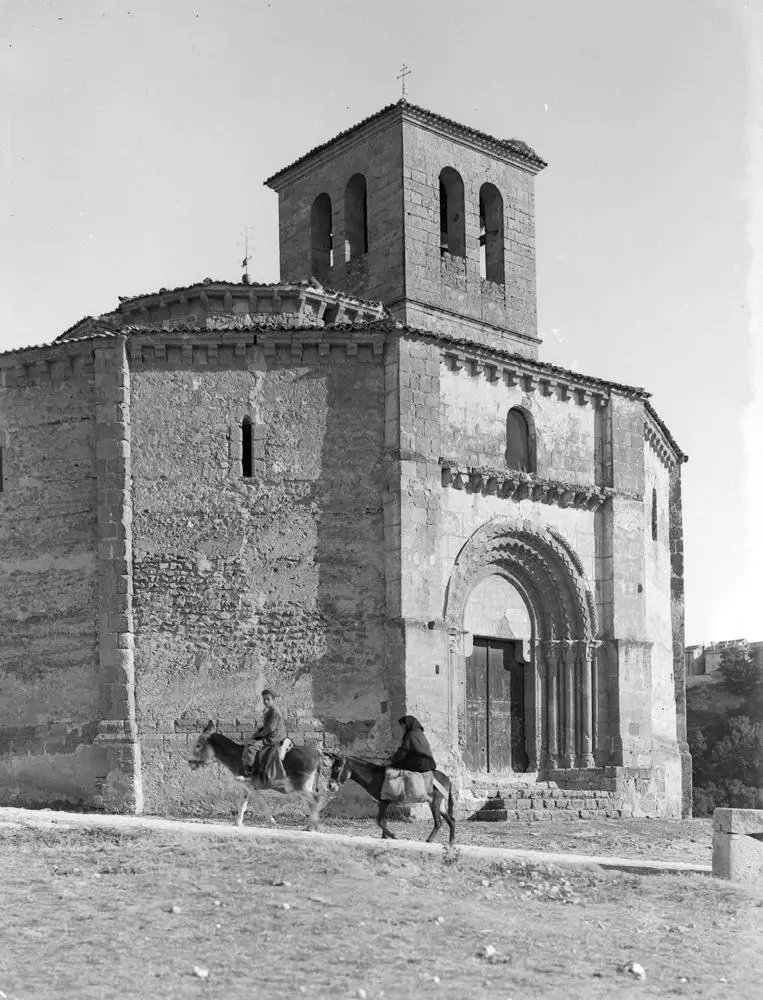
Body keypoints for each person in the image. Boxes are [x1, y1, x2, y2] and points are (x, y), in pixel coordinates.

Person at [243, 689, 288, 782]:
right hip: (270, 735)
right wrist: (259, 731)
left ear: (273, 700)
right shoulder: (270, 711)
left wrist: (260, 735)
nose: (265, 701)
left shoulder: (274, 712)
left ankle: (249, 770)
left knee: (252, 747)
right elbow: (267, 726)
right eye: (264, 699)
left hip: (273, 738)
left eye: (268, 699)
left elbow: (270, 728)